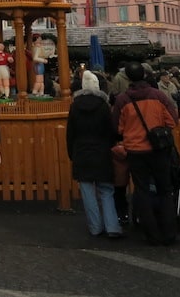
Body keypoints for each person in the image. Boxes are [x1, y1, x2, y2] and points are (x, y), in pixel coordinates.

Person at [112, 61, 178, 246]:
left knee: (142, 191)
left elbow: (117, 127)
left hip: (135, 150)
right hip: (159, 149)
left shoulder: (123, 100)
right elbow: (172, 120)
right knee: (165, 189)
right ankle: (169, 232)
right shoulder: (158, 96)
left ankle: (151, 234)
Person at [67, 71, 123, 239]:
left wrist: (72, 152)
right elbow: (111, 130)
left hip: (82, 151)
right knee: (106, 189)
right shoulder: (103, 105)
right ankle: (112, 225)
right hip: (102, 150)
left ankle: (95, 226)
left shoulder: (75, 106)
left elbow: (71, 132)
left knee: (87, 191)